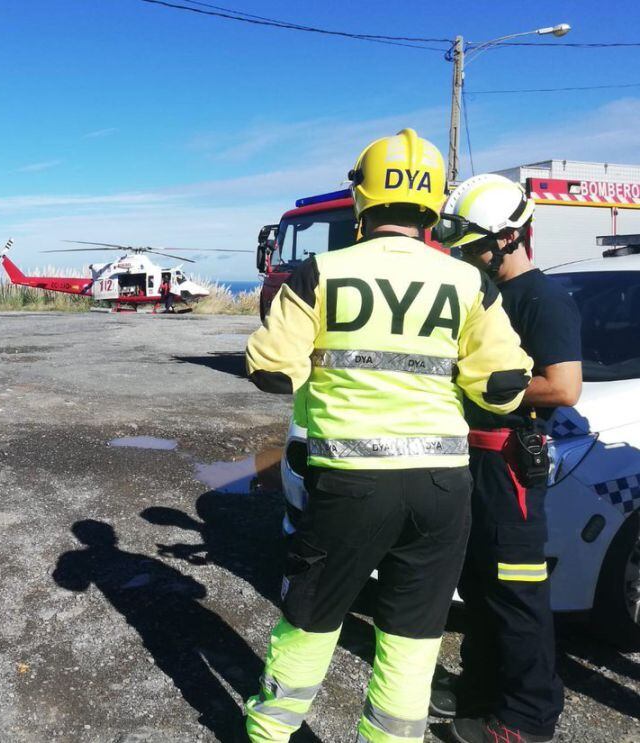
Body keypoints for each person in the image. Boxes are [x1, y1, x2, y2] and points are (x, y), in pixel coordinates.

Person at [243, 128, 533, 743]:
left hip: (348, 485)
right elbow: (503, 388)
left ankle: (270, 729)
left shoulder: (320, 273)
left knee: (312, 618)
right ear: (432, 206)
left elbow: (270, 370)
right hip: (441, 487)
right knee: (413, 634)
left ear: (361, 201)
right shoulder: (469, 282)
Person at [433, 174, 582, 743]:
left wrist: (490, 389)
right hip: (475, 464)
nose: (469, 255)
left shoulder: (544, 299)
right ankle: (480, 690)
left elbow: (564, 388)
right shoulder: (487, 294)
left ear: (510, 237)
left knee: (517, 594)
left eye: (476, 245)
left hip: (509, 468)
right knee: (481, 586)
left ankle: (527, 718)